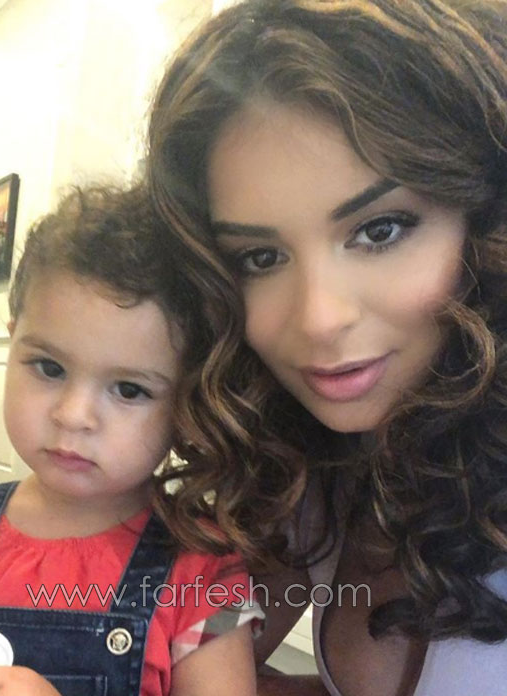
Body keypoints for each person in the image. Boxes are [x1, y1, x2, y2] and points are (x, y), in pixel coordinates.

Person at [145, 1, 507, 694]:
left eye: (380, 230)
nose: (318, 320)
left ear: (487, 219)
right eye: (260, 258)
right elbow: (219, 634)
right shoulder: (322, 474)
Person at [0, 186, 261, 696]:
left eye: (130, 390)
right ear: (13, 340)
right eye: (49, 367)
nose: (73, 416)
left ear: (187, 401)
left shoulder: (211, 576)